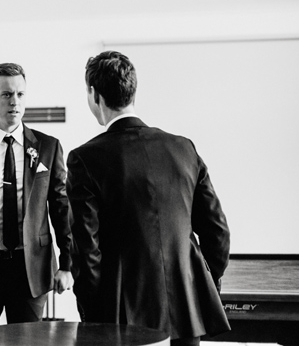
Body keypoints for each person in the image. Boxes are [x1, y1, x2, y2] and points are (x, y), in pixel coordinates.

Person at [67, 51, 231, 346]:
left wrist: (93, 313)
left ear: (94, 94)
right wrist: (199, 285)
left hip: (121, 314)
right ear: (133, 91)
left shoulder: (85, 158)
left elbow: (86, 250)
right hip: (185, 310)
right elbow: (217, 232)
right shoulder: (183, 149)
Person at [0, 63, 74, 339]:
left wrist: (67, 265)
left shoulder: (48, 146)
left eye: (20, 94)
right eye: (6, 94)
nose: (14, 102)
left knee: (29, 343)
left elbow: (61, 208)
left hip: (31, 269)